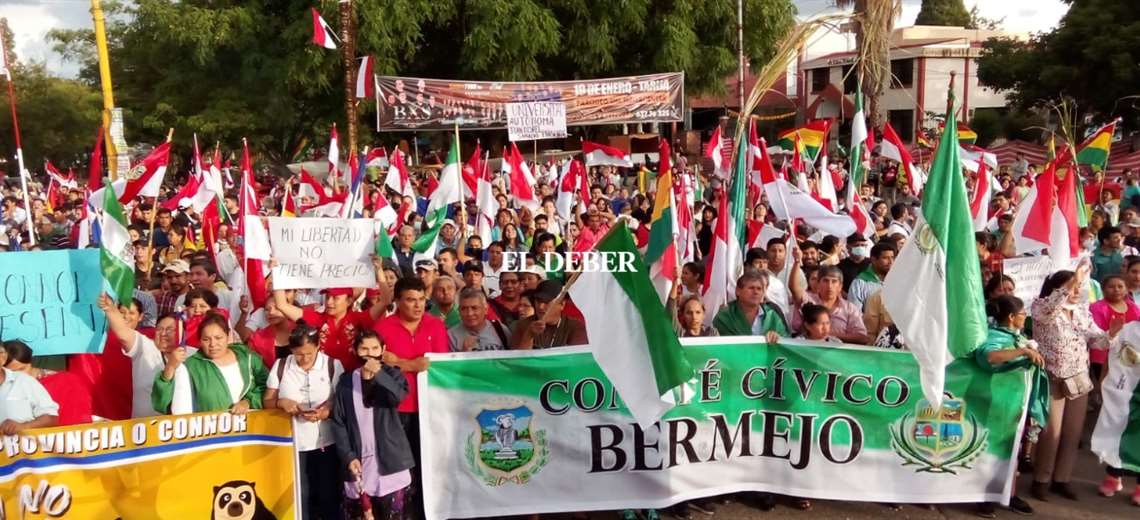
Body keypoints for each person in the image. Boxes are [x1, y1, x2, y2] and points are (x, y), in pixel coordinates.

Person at [1030, 265, 1120, 501]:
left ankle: (1062, 479)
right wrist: (1073, 279)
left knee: (1071, 433)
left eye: (1079, 286)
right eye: (1073, 286)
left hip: (1079, 379)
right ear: (1057, 288)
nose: (1077, 290)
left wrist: (1111, 334)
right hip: (1052, 378)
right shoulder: (1041, 307)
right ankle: (1041, 480)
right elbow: (1051, 307)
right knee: (1051, 433)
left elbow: (1097, 341)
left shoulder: (1081, 311)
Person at [373, 277, 449, 519]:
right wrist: (412, 365)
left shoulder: (436, 325)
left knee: (429, 467)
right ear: (397, 301)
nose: (417, 306)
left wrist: (400, 363)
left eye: (421, 300)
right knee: (400, 470)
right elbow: (377, 367)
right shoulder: (382, 329)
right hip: (395, 411)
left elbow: (437, 366)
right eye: (410, 300)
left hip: (429, 409)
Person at [973, 295, 1046, 517]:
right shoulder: (994, 336)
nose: (1026, 317)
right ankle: (984, 496)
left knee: (1012, 450)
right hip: (998, 403)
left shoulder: (1018, 336)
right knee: (993, 450)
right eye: (1023, 314)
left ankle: (1008, 494)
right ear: (1012, 317)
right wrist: (1023, 351)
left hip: (1018, 404)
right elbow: (991, 357)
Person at [331, 330, 415, 519]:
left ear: (383, 350)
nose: (370, 353)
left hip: (391, 460)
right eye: (364, 349)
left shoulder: (393, 375)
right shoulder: (346, 381)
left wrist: (378, 373)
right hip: (359, 462)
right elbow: (338, 422)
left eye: (375, 348)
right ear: (355, 351)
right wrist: (348, 455)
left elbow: (398, 397)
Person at [265, 322, 344, 520]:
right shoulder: (282, 366)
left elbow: (341, 402)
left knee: (328, 496)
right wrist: (282, 402)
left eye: (310, 353)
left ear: (318, 347)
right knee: (301, 496)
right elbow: (267, 401)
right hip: (293, 444)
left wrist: (326, 412)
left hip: (326, 442)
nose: (305, 359)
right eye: (299, 354)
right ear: (291, 350)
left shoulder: (333, 365)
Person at [152, 312, 268, 415]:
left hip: (250, 433)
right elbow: (164, 403)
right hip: (211, 435)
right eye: (206, 339)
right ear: (200, 341)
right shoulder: (191, 366)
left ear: (228, 336)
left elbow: (268, 388)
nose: (213, 344)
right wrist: (171, 367)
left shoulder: (247, 358)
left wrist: (249, 402)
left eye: (218, 338)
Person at [99, 293, 190, 417]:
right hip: (143, 429)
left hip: (180, 429)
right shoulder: (145, 346)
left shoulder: (191, 355)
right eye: (159, 329)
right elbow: (123, 333)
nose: (163, 333)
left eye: (169, 330)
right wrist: (110, 309)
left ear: (181, 332)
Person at [790, 264, 869, 344]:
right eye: (825, 281)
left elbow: (862, 338)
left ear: (840, 286)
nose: (829, 286)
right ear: (818, 283)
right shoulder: (809, 300)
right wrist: (797, 263)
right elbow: (793, 288)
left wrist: (829, 335)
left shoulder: (850, 308)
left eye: (834, 281)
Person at [712, 270, 788, 342]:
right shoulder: (725, 316)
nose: (756, 292)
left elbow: (787, 341)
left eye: (759, 289)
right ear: (738, 291)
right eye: (751, 288)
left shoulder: (772, 316)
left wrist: (778, 338)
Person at [0, 342, 58, 434]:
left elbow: (51, 417)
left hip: (23, 446)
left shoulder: (24, 380)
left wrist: (22, 426)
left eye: (21, 368)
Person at [511, 280, 588, 349]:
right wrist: (529, 335)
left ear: (562, 304)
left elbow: (575, 359)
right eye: (538, 301)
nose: (540, 307)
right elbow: (518, 360)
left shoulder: (575, 326)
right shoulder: (523, 325)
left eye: (547, 302)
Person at [448, 287, 511, 352]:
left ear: (486, 309)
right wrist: (464, 353)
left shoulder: (500, 329)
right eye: (464, 309)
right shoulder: (452, 336)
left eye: (474, 308)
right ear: (459, 311)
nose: (469, 313)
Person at [848, 243, 896, 310]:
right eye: (885, 258)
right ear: (873, 260)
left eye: (892, 257)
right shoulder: (859, 283)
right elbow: (855, 313)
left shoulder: (898, 279)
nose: (891, 262)